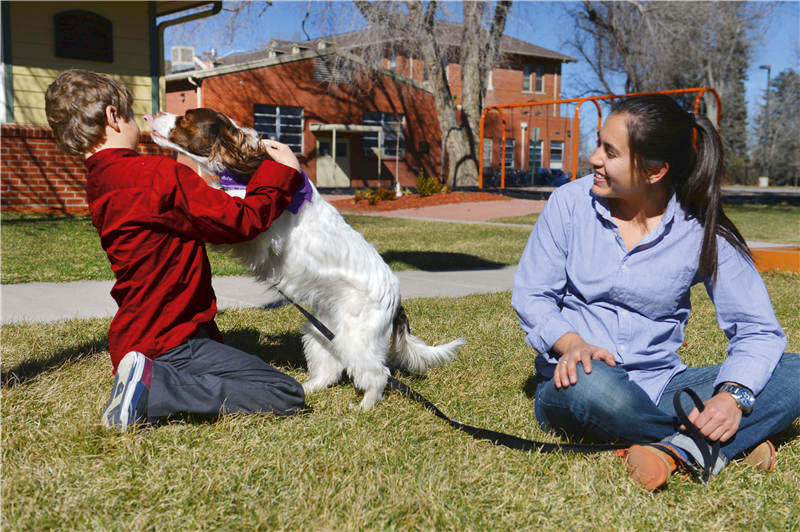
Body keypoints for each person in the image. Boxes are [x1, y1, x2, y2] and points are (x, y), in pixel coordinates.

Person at [511, 94, 800, 490]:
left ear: (655, 171)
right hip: (578, 381)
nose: (594, 158)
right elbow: (533, 295)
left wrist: (732, 398)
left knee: (793, 371)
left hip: (663, 385)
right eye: (599, 144)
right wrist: (572, 343)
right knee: (598, 390)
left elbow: (759, 330)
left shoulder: (699, 229)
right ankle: (711, 444)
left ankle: (676, 448)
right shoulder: (568, 205)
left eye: (610, 152)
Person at [45, 69, 308, 432]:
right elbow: (240, 221)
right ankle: (157, 388)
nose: (139, 124)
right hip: (172, 339)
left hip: (135, 337)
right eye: (132, 114)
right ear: (112, 116)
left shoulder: (99, 182)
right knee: (285, 392)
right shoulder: (155, 175)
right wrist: (279, 173)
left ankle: (145, 377)